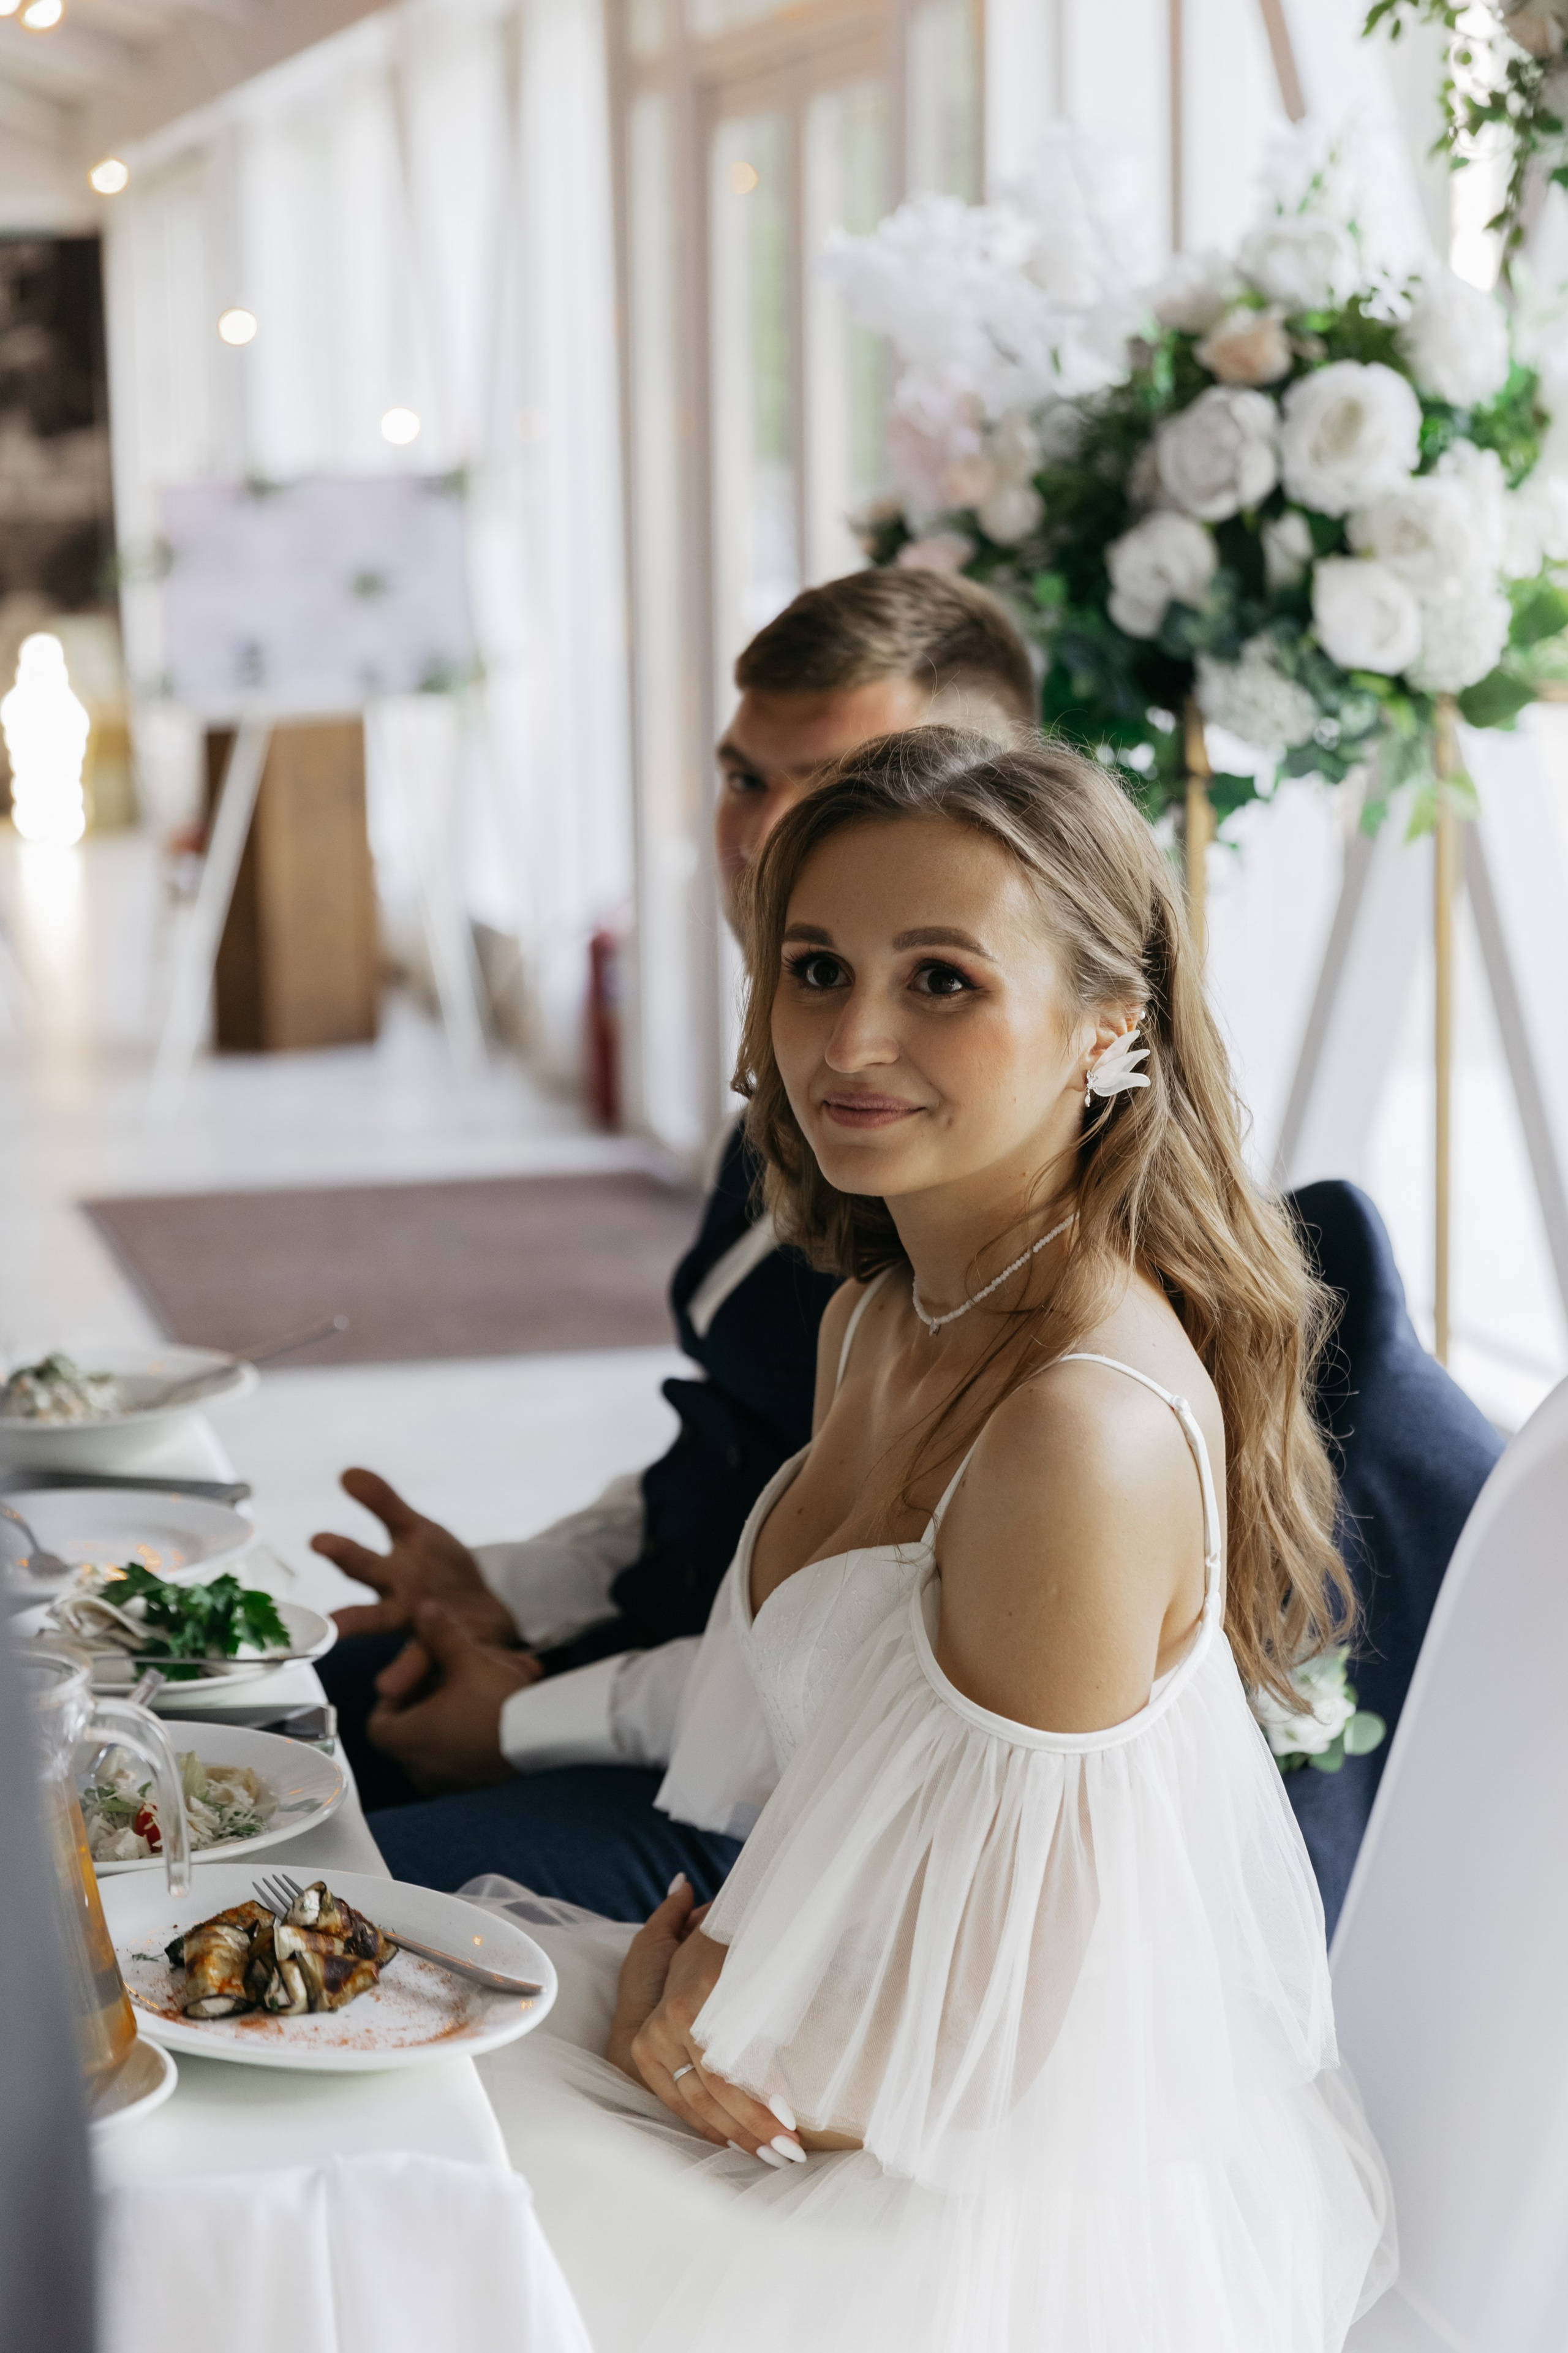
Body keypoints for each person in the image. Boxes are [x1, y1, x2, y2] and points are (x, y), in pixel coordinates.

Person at [468, 724, 1393, 2353]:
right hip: (789, 2034)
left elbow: (1039, 2043)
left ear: (1112, 1025)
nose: (852, 1036)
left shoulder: (1073, 1436)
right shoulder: (879, 1321)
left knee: (402, 2200)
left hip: (956, 2200)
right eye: (814, 968)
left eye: (942, 979)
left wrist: (713, 2046)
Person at [311, 568, 1038, 1913]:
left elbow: (842, 1664)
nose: (759, 836)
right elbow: (726, 1441)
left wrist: (515, 1723)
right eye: (741, 779)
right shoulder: (800, 1066)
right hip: (668, 1659)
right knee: (240, 1719)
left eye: (826, 785)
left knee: (280, 1900)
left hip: (783, 1803)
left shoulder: (943, 1168)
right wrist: (511, 1588)